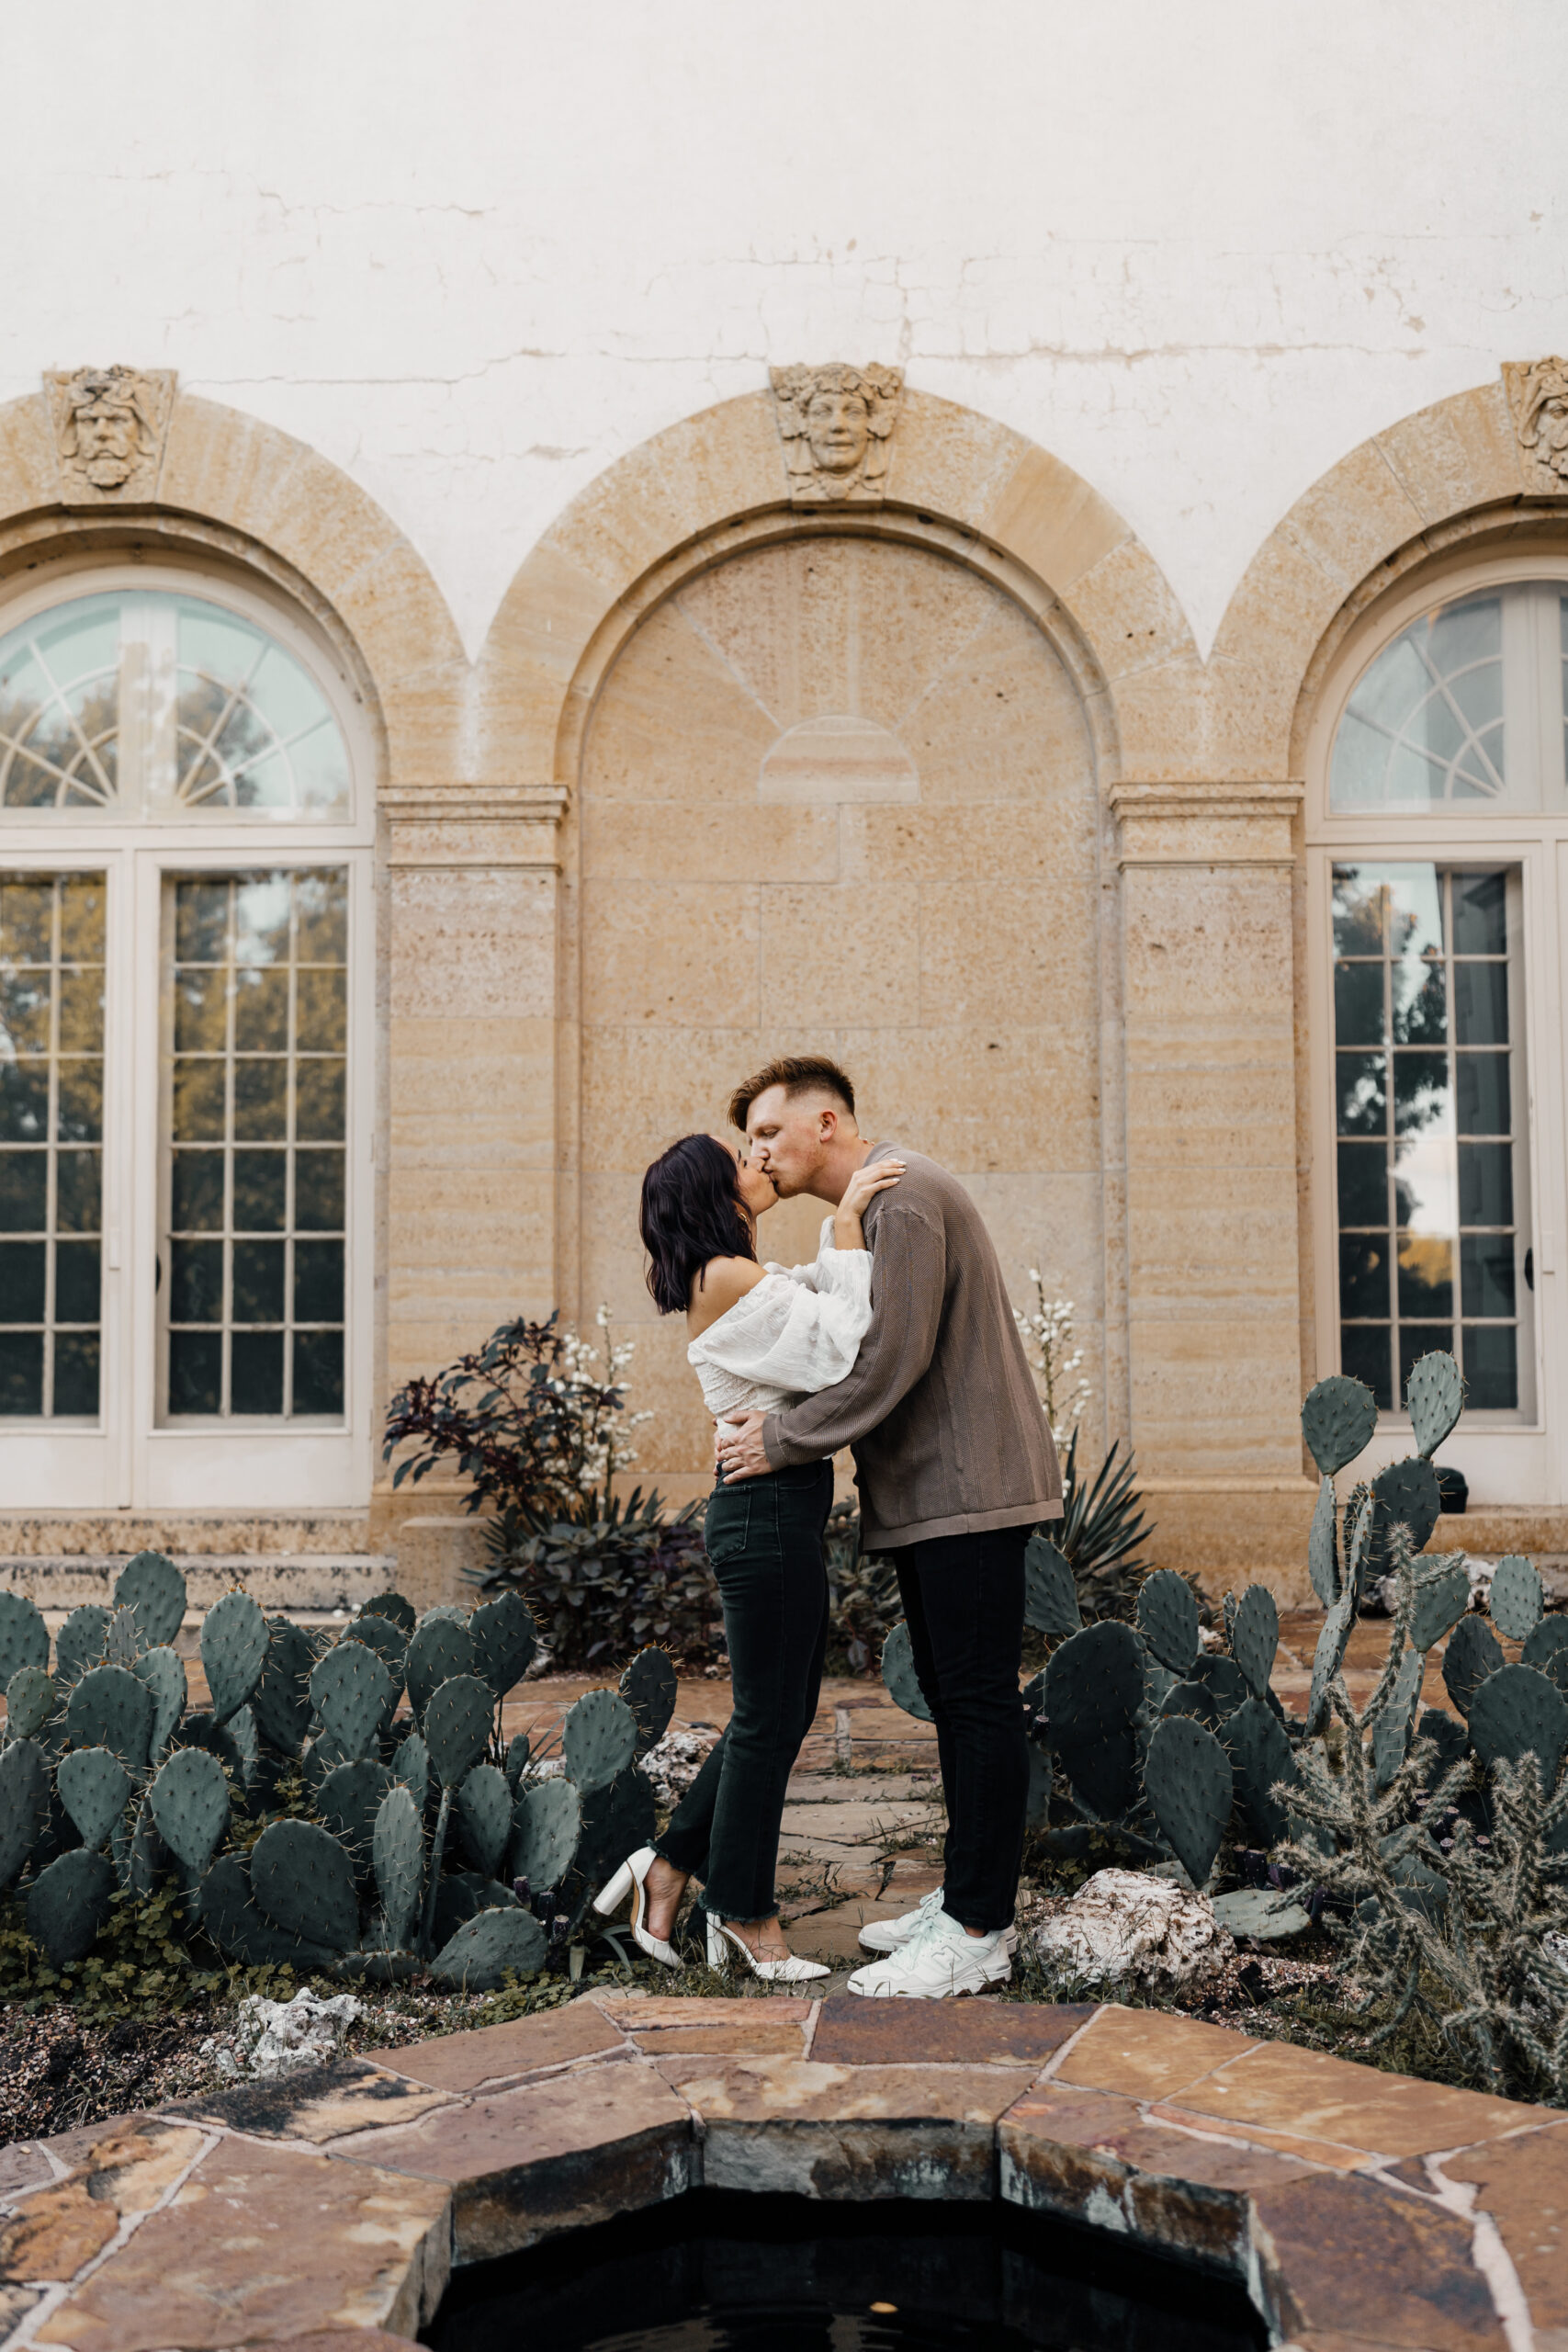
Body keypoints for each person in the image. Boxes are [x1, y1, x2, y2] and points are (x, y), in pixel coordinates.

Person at [714, 1056, 1061, 1999]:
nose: (759, 1153)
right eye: (749, 1141)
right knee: (957, 1700)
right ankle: (964, 1897)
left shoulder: (903, 1200)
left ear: (828, 1122)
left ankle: (979, 1930)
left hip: (968, 1493)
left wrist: (783, 1439)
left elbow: (887, 1358)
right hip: (937, 1496)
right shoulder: (878, 1209)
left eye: (771, 1134)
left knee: (978, 1701)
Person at [593, 1127, 904, 1981]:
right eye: (741, 1157)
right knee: (771, 1720)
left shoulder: (736, 1276)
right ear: (712, 1193)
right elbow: (840, 1345)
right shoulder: (725, 1277)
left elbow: (807, 1301)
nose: (759, 1160)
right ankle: (744, 1916)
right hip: (763, 1514)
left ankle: (666, 1868)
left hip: (777, 1510)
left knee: (778, 1712)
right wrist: (846, 1230)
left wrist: (836, 1231)